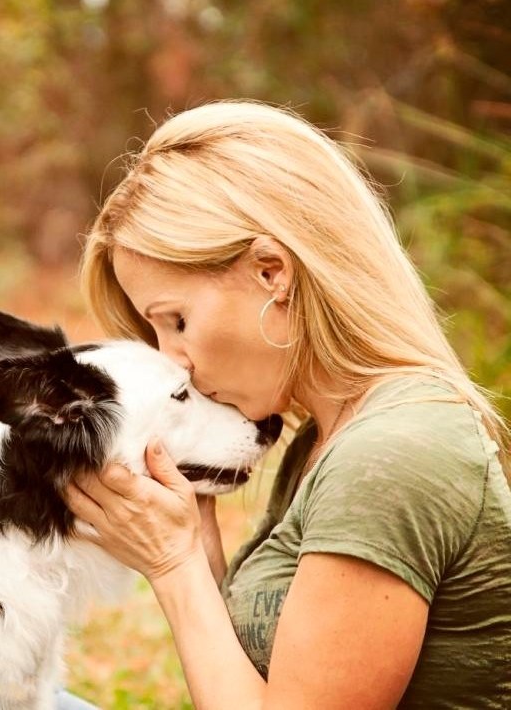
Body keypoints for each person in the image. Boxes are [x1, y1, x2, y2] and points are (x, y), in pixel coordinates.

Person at [61, 101, 511, 709]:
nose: (176, 361)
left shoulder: (394, 454)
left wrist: (175, 565)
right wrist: (197, 541)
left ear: (273, 272)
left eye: (177, 321)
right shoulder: (328, 437)